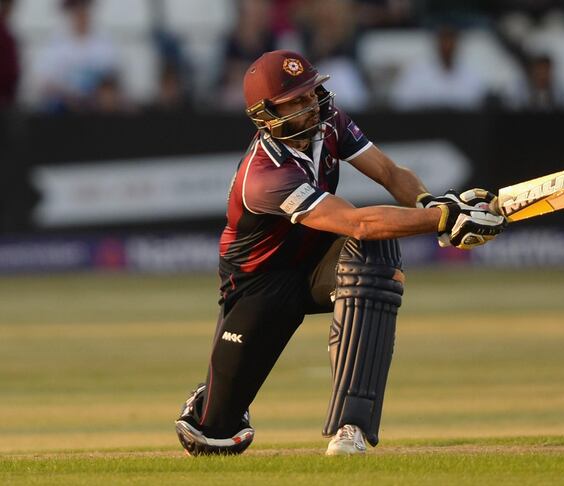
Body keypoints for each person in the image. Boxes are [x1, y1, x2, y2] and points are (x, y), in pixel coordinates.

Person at [175, 50, 506, 456]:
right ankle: (210, 403)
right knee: (216, 439)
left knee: (374, 254)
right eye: (294, 100)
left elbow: (388, 172)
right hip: (259, 287)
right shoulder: (263, 175)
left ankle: (351, 428)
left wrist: (429, 204)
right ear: (265, 114)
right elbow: (357, 222)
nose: (309, 104)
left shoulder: (330, 122)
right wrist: (443, 219)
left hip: (315, 265)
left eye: (311, 92)